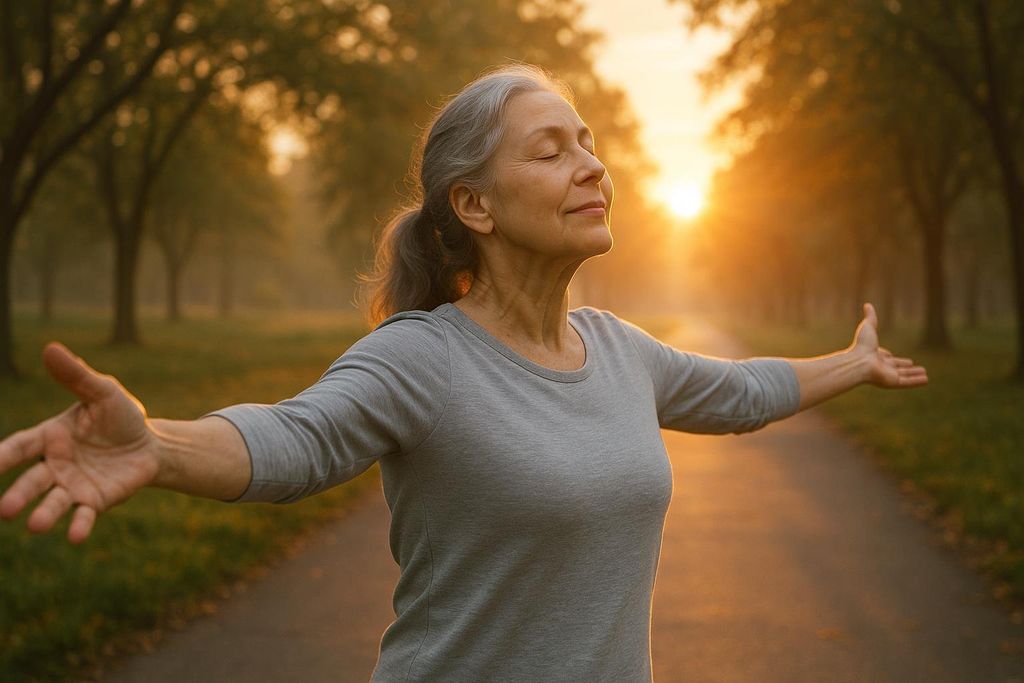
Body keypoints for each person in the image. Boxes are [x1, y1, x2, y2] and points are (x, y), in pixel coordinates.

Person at [0, 63, 928, 681]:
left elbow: (740, 392)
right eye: (552, 149)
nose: (593, 166)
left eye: (589, 142)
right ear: (474, 204)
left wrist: (848, 364)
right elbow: (299, 436)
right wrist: (156, 445)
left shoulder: (619, 349)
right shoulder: (424, 356)